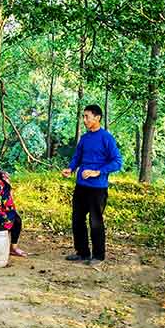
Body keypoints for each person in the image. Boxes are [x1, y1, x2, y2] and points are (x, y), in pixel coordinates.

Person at [61, 104, 123, 266]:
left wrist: (98, 172)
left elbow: (117, 162)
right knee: (77, 219)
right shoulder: (85, 138)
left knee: (95, 222)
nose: (84, 120)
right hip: (81, 186)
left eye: (87, 116)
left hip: (97, 188)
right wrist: (71, 168)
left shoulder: (106, 138)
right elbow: (77, 157)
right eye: (83, 116)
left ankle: (98, 256)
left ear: (97, 118)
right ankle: (82, 252)